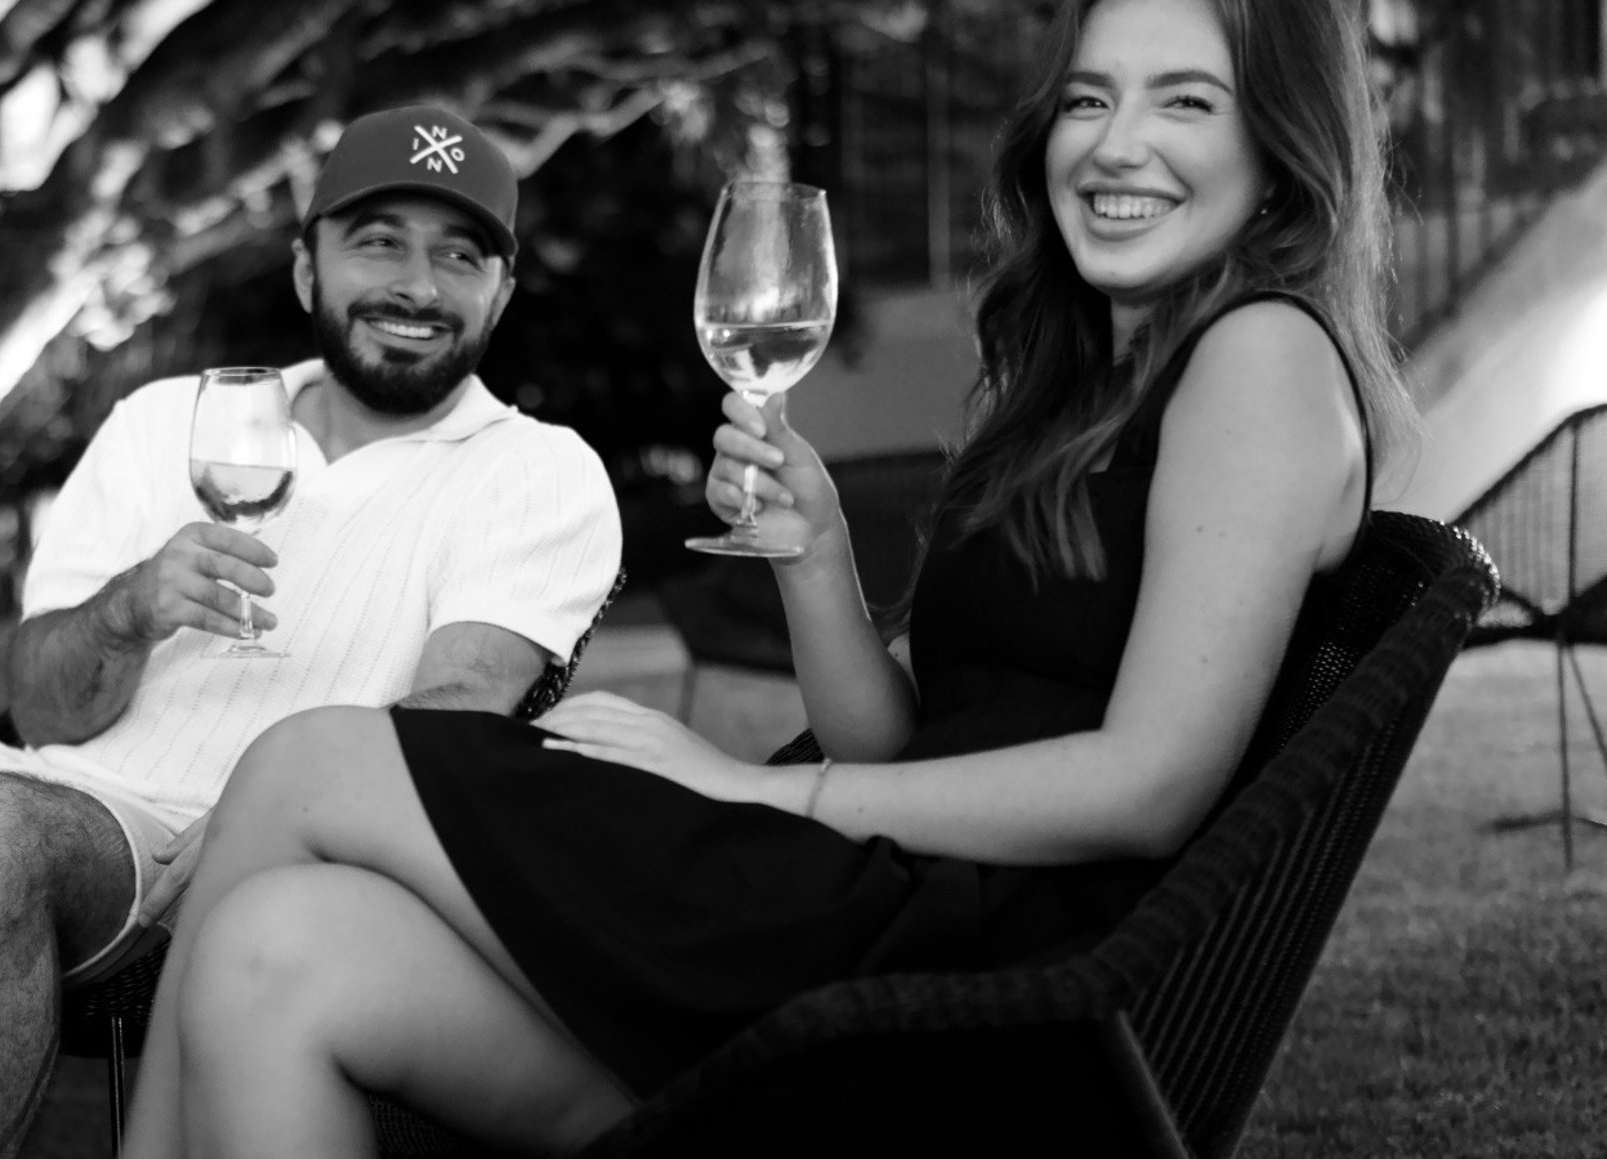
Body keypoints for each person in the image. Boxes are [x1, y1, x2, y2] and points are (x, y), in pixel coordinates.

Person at [118, 0, 1417, 1153]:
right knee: (269, 954)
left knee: (307, 763)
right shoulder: (1088, 386)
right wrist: (819, 555)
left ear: (1279, 139)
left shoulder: (1261, 361)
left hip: (983, 984)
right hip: (898, 918)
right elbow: (902, 739)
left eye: (1185, 99)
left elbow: (1150, 782)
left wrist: (754, 788)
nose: (1117, 142)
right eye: (1089, 97)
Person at [0, 104, 621, 1157]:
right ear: (308, 269)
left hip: (231, 862)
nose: (418, 284)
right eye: (378, 241)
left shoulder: (537, 469)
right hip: (6, 789)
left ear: (501, 291)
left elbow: (455, 716)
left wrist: (260, 815)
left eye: (461, 255)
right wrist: (129, 608)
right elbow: (40, 707)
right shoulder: (166, 421)